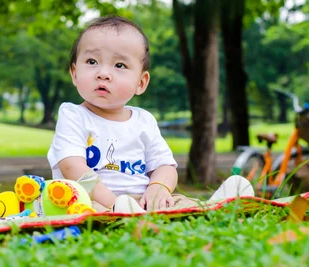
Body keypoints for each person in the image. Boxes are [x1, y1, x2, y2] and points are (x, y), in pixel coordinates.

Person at [47, 16, 253, 213]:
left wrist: (158, 188)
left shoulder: (144, 121)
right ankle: (124, 213)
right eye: (92, 62)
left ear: (141, 83)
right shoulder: (73, 115)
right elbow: (72, 167)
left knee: (179, 202)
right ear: (74, 73)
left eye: (119, 65)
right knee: (87, 209)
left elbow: (165, 166)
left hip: (141, 201)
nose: (103, 73)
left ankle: (219, 204)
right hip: (92, 200)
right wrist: (115, 203)